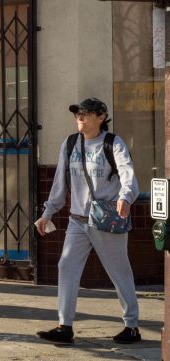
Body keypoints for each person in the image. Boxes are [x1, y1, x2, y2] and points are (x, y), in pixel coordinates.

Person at [35, 98, 141, 345]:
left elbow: (129, 176)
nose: (80, 117)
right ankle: (65, 325)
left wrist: (125, 198)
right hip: (77, 220)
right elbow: (60, 183)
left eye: (86, 113)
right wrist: (47, 213)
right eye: (77, 114)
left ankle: (132, 326)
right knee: (66, 266)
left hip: (106, 220)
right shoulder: (71, 143)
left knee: (119, 272)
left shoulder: (113, 143)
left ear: (101, 117)